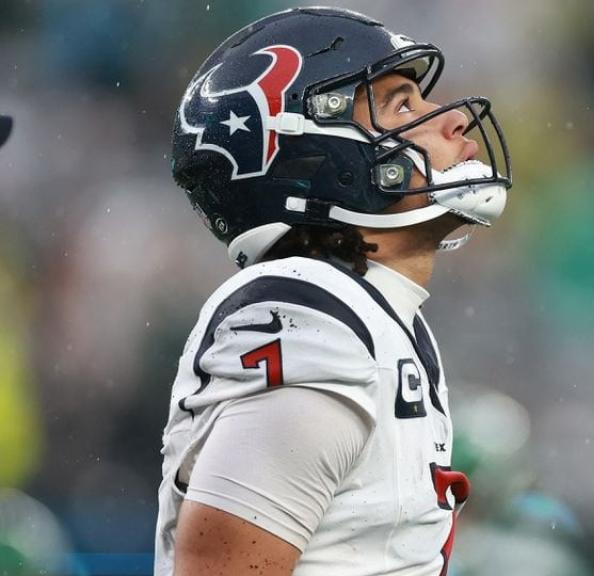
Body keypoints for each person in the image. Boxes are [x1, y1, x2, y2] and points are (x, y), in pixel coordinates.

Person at [154, 7, 512, 576]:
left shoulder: (379, 313)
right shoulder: (311, 318)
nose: (451, 121)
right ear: (317, 153)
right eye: (401, 105)